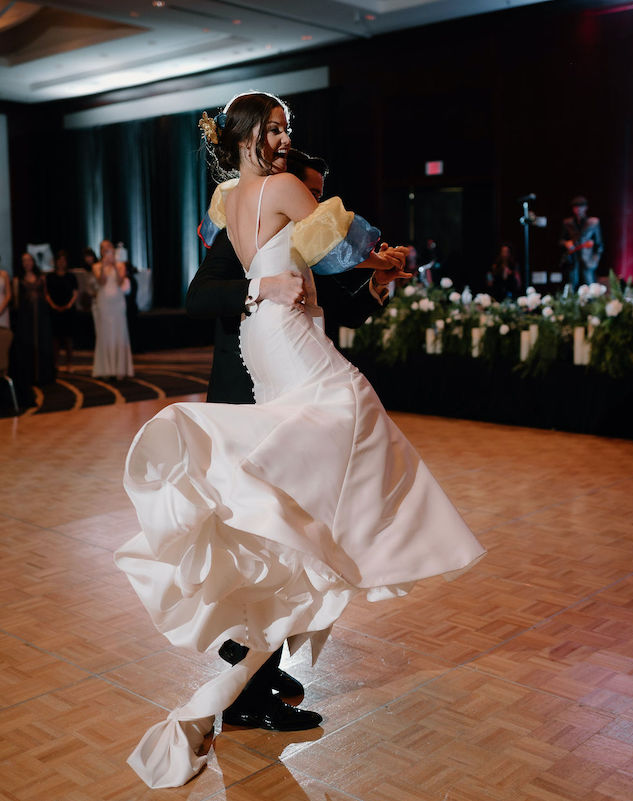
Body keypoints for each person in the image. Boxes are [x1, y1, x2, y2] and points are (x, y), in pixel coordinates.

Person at [115, 92, 485, 789]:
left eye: (290, 126)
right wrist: (373, 249)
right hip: (268, 345)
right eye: (277, 127)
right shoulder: (282, 188)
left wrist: (374, 275)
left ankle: (296, 615)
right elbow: (336, 244)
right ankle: (382, 539)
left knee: (304, 491)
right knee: (351, 405)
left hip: (271, 346)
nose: (286, 136)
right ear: (252, 134)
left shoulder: (230, 198)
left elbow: (319, 270)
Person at [186, 147, 398, 729]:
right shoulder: (240, 230)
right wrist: (260, 290)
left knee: (293, 542)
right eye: (306, 196)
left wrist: (377, 279)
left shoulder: (296, 241)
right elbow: (198, 296)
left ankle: (259, 667)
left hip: (297, 406)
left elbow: (328, 307)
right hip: (250, 406)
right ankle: (250, 694)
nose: (313, 211)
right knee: (271, 544)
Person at [9, 252, 55, 405]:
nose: (27, 263)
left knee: (42, 344)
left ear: (33, 262)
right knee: (28, 345)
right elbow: (16, 302)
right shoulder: (17, 280)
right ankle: (29, 376)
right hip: (26, 319)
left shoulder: (42, 278)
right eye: (24, 260)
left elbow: (46, 295)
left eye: (29, 260)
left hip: (41, 318)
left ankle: (43, 376)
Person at [91, 240, 134, 379]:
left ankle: (119, 369)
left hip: (117, 302)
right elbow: (101, 281)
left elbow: (120, 282)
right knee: (105, 333)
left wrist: (114, 264)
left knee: (119, 332)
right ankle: (106, 370)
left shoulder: (120, 265)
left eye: (108, 248)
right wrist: (104, 265)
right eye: (103, 249)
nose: (106, 251)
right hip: (104, 302)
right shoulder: (96, 266)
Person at [559, 195, 604, 288]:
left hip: (587, 261)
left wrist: (595, 260)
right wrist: (566, 243)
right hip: (572, 260)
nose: (578, 209)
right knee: (571, 286)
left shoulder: (593, 223)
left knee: (591, 288)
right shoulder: (568, 223)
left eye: (581, 207)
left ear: (586, 208)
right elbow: (561, 240)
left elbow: (599, 244)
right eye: (576, 207)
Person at [45, 250, 78, 372]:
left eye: (63, 261)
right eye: (59, 260)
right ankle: (55, 363)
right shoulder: (50, 277)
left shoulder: (71, 276)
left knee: (69, 338)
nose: (61, 263)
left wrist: (68, 305)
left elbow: (75, 293)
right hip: (54, 310)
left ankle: (69, 363)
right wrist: (53, 306)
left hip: (68, 311)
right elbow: (46, 293)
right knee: (55, 339)